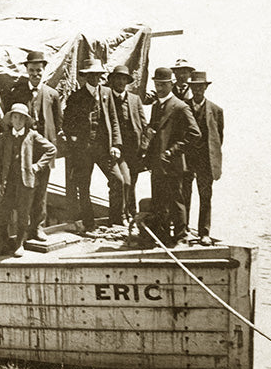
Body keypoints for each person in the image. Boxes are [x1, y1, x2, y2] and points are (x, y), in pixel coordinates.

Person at [5, 50, 63, 241]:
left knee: (41, 190)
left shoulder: (52, 94)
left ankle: (37, 228)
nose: (35, 74)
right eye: (32, 70)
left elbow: (57, 121)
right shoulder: (18, 92)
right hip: (23, 149)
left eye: (38, 70)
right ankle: (21, 230)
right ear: (26, 70)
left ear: (44, 70)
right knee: (23, 189)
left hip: (43, 150)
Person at [62, 59, 123, 232]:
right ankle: (89, 224)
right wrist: (74, 140)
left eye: (98, 75)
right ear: (85, 77)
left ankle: (116, 221)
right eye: (92, 75)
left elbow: (114, 120)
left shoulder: (107, 93)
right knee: (84, 186)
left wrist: (116, 144)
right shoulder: (76, 97)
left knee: (118, 180)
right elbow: (66, 123)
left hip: (104, 149)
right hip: (84, 150)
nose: (95, 78)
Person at [145, 67, 202, 247]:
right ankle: (162, 237)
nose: (160, 88)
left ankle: (180, 236)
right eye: (157, 84)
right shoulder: (156, 106)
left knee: (176, 201)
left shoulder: (180, 106)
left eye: (163, 85)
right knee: (158, 201)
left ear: (171, 84)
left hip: (172, 163)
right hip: (157, 164)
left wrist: (173, 150)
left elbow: (195, 134)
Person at [0, 103, 58, 257]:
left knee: (23, 213)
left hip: (26, 182)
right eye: (15, 117)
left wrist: (37, 166)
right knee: (2, 213)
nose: (18, 120)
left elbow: (51, 149)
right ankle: (2, 244)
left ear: (26, 120)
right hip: (7, 182)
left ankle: (19, 245)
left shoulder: (32, 135)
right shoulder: (4, 137)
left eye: (21, 118)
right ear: (11, 119)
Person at [183, 71, 224, 245]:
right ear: (190, 88)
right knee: (184, 194)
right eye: (194, 87)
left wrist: (212, 156)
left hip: (205, 160)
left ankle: (204, 233)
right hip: (186, 157)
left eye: (201, 87)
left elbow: (218, 138)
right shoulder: (182, 106)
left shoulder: (216, 110)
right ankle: (183, 229)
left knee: (205, 196)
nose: (197, 90)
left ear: (205, 88)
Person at [106, 65, 148, 224]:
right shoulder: (107, 98)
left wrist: (144, 146)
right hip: (116, 149)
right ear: (112, 80)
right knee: (122, 182)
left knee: (132, 184)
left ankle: (131, 214)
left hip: (134, 149)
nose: (121, 82)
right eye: (118, 78)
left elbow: (144, 125)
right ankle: (118, 216)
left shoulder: (134, 99)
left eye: (124, 79)